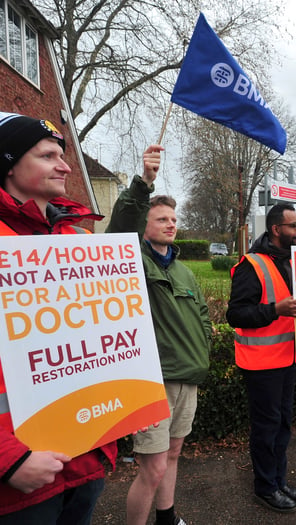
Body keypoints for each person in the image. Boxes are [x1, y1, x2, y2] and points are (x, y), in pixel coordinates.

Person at [0, 112, 117, 523]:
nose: (65, 165)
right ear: (9, 163)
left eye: (62, 155)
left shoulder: (81, 240)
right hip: (18, 478)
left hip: (85, 461)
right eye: (48, 155)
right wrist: (7, 459)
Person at [106, 145, 212, 525]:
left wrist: (203, 354)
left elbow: (202, 318)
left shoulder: (183, 272)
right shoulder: (131, 261)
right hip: (152, 382)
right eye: (162, 218)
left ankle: (167, 518)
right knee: (150, 470)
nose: (171, 224)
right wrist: (144, 184)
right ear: (145, 226)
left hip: (188, 378)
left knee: (171, 457)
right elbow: (120, 228)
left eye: (174, 218)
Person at [226, 203, 296, 513]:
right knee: (266, 427)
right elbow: (235, 314)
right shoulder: (252, 264)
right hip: (261, 363)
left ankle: (278, 480)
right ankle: (265, 487)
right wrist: (275, 310)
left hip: (288, 358)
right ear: (276, 230)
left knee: (283, 424)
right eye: (294, 226)